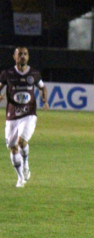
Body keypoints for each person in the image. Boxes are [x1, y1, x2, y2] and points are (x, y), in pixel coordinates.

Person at [0, 47, 48, 188]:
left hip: (29, 114)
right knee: (12, 148)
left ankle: (25, 163)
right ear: (14, 57)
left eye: (25, 54)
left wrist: (45, 100)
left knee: (21, 142)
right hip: (12, 115)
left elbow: (42, 87)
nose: (23, 56)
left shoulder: (34, 73)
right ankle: (21, 178)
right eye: (20, 54)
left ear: (28, 57)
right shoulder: (7, 74)